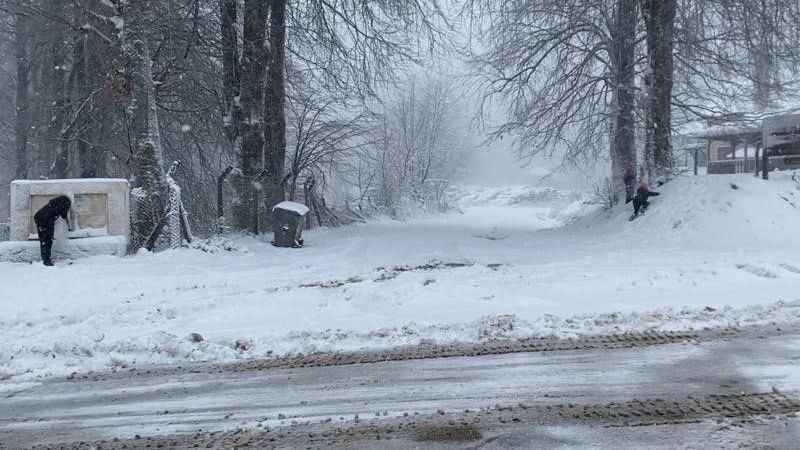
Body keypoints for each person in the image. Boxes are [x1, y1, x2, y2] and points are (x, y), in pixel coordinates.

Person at [34, 195, 71, 266]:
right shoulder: (51, 209)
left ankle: (47, 258)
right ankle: (46, 260)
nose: (67, 209)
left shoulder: (56, 207)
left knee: (49, 240)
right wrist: (42, 228)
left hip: (48, 221)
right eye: (67, 207)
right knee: (45, 241)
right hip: (42, 221)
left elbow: (64, 215)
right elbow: (43, 217)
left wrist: (68, 224)